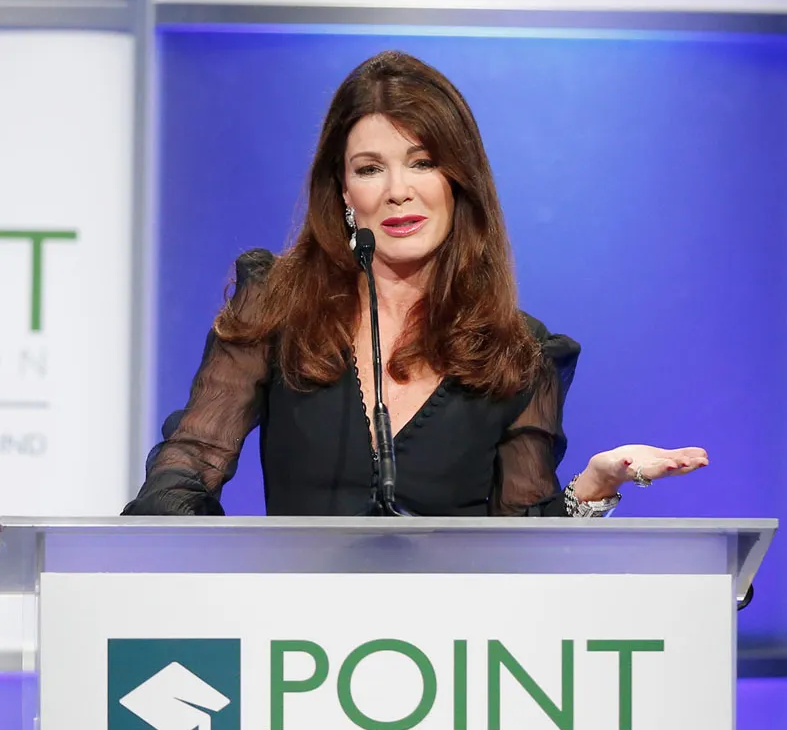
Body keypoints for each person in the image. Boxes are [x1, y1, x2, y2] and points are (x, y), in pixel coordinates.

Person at [123, 50, 707, 518]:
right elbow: (191, 462)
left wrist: (596, 484)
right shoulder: (278, 304)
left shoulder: (519, 353)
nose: (398, 190)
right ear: (344, 191)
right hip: (294, 625)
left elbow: (524, 536)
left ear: (458, 180)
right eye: (370, 168)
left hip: (454, 631)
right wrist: (179, 553)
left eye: (422, 162)